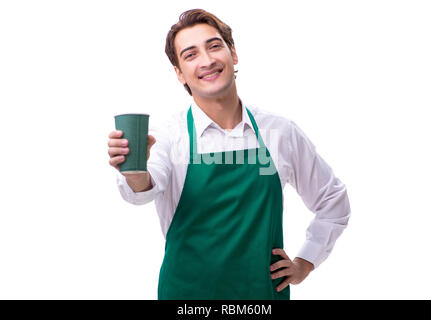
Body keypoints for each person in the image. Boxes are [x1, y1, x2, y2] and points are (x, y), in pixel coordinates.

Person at [107, 9, 350, 300]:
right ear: (179, 73)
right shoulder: (168, 136)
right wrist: (133, 167)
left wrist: (304, 263)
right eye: (190, 54)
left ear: (233, 53)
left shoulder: (279, 132)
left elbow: (333, 201)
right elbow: (142, 191)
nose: (207, 61)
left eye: (214, 46)